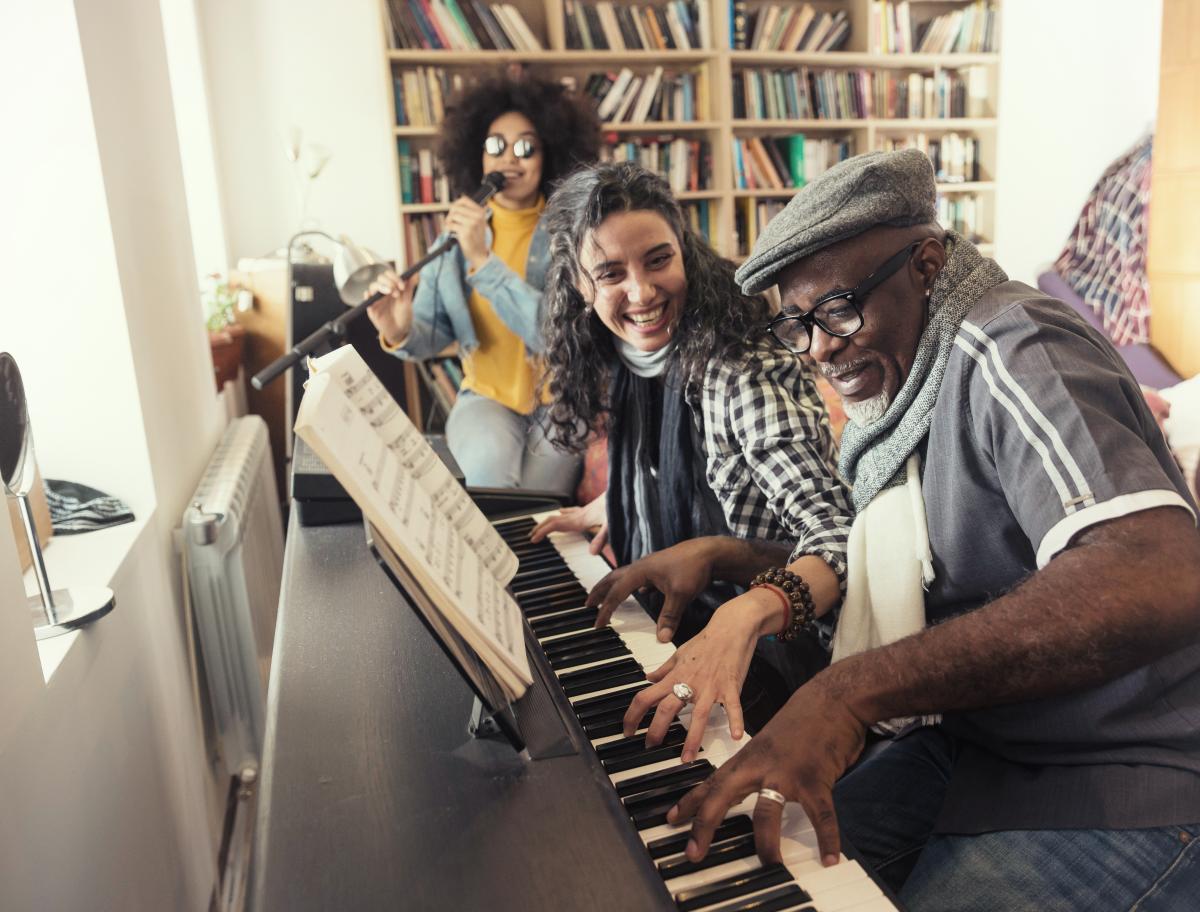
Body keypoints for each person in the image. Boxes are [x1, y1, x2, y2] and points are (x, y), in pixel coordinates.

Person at [657, 149, 1200, 911]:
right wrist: (731, 557)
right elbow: (930, 563)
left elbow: (1151, 569)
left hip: (1128, 768)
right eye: (797, 324)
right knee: (744, 874)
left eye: (839, 309)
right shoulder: (905, 389)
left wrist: (849, 693)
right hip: (980, 747)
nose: (819, 348)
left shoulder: (1013, 347)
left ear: (927, 264)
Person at [530, 161, 853, 754]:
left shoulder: (742, 371)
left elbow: (841, 540)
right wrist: (618, 503)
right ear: (581, 286)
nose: (642, 291)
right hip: (685, 631)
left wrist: (725, 572)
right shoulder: (631, 352)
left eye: (658, 260)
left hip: (774, 662)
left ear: (685, 251)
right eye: (610, 274)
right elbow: (683, 468)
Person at [366, 74, 600, 496]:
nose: (510, 158)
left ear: (549, 156)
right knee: (493, 488)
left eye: (526, 147)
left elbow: (556, 336)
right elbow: (431, 336)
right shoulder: (452, 240)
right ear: (477, 155)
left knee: (540, 508)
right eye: (496, 145)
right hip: (486, 400)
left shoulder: (576, 235)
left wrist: (482, 261)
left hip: (563, 402)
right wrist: (398, 328)